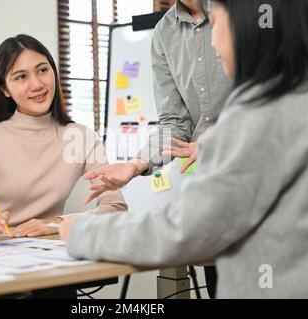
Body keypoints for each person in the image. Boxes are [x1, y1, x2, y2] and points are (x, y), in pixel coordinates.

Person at [60, 0, 308, 298]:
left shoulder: (261, 111)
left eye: (216, 21)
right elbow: (175, 123)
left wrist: (81, 232)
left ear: (248, 24)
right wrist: (139, 162)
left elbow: (188, 231)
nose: (211, 37)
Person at [83, 0, 233, 298]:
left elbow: (265, 96)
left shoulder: (241, 13)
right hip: (214, 188)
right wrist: (137, 163)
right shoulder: (164, 33)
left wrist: (215, 138)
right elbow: (174, 122)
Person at [0, 34, 127, 242]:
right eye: (21, 77)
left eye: (43, 70)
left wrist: (55, 223)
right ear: (4, 89)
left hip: (52, 255)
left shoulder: (82, 137)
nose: (36, 85)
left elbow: (115, 207)